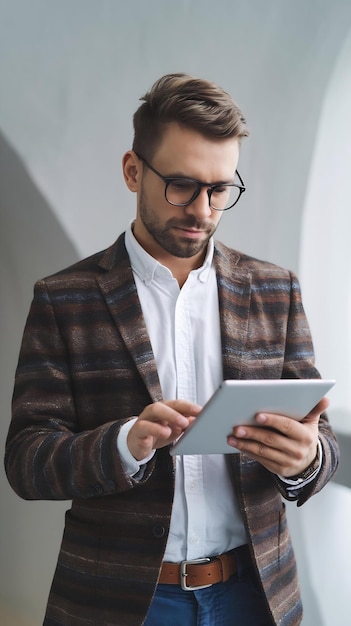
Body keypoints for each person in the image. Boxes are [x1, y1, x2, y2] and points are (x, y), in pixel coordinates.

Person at [5, 73, 339, 626]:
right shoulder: (64, 298)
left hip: (254, 595)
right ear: (133, 170)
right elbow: (25, 461)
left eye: (220, 189)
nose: (203, 209)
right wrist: (124, 444)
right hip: (118, 601)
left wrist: (306, 460)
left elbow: (321, 442)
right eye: (182, 185)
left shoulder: (275, 289)